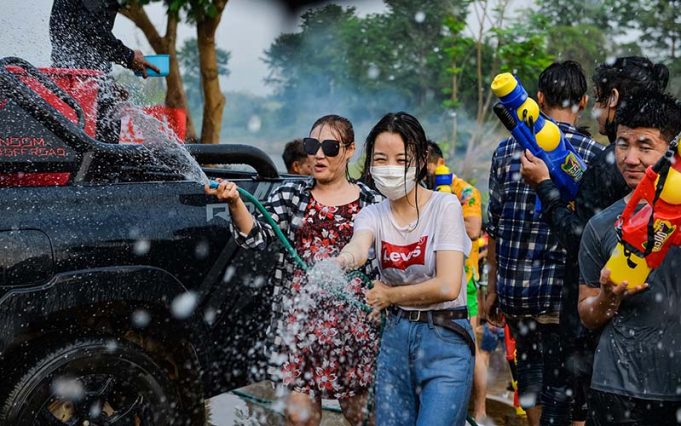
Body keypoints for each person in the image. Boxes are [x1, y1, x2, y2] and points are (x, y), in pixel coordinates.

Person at [519, 57, 669, 424]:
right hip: (643, 338)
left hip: (600, 327)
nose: (631, 158)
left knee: (566, 403)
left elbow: (580, 235)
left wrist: (546, 189)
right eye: (624, 146)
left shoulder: (613, 164)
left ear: (612, 99)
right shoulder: (655, 172)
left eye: (601, 98)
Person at [205, 115, 382, 426]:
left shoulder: (371, 201)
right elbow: (256, 235)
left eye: (330, 146)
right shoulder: (293, 195)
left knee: (363, 416)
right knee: (299, 418)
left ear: (351, 149)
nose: (318, 154)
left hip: (354, 329)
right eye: (312, 145)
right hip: (298, 325)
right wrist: (234, 203)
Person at [485, 61, 604, 426]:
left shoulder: (506, 151)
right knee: (567, 393)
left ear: (538, 98)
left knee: (532, 383)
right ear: (582, 102)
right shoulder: (594, 156)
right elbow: (593, 235)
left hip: (517, 294)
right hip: (562, 298)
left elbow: (496, 224)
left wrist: (491, 290)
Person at [336, 112, 474, 426]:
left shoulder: (445, 207)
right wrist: (343, 260)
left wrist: (390, 295)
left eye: (401, 159)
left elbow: (447, 286)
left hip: (445, 336)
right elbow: (359, 246)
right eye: (381, 159)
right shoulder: (372, 214)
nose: (390, 168)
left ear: (422, 159)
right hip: (396, 339)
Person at [578, 91, 681, 425]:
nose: (630, 158)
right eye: (623, 144)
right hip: (616, 386)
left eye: (645, 146)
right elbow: (587, 314)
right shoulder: (602, 225)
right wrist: (608, 298)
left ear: (671, 150)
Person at [426, 140, 487, 422]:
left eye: (423, 163)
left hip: (464, 280)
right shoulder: (422, 192)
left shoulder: (464, 190)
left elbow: (474, 230)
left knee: (468, 344)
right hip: (429, 278)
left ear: (437, 162)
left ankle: (479, 410)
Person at [50, 0, 159, 143]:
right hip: (78, 81)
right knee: (100, 146)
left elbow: (88, 37)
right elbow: (92, 28)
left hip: (76, 80)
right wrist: (128, 57)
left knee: (101, 138)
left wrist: (107, 84)